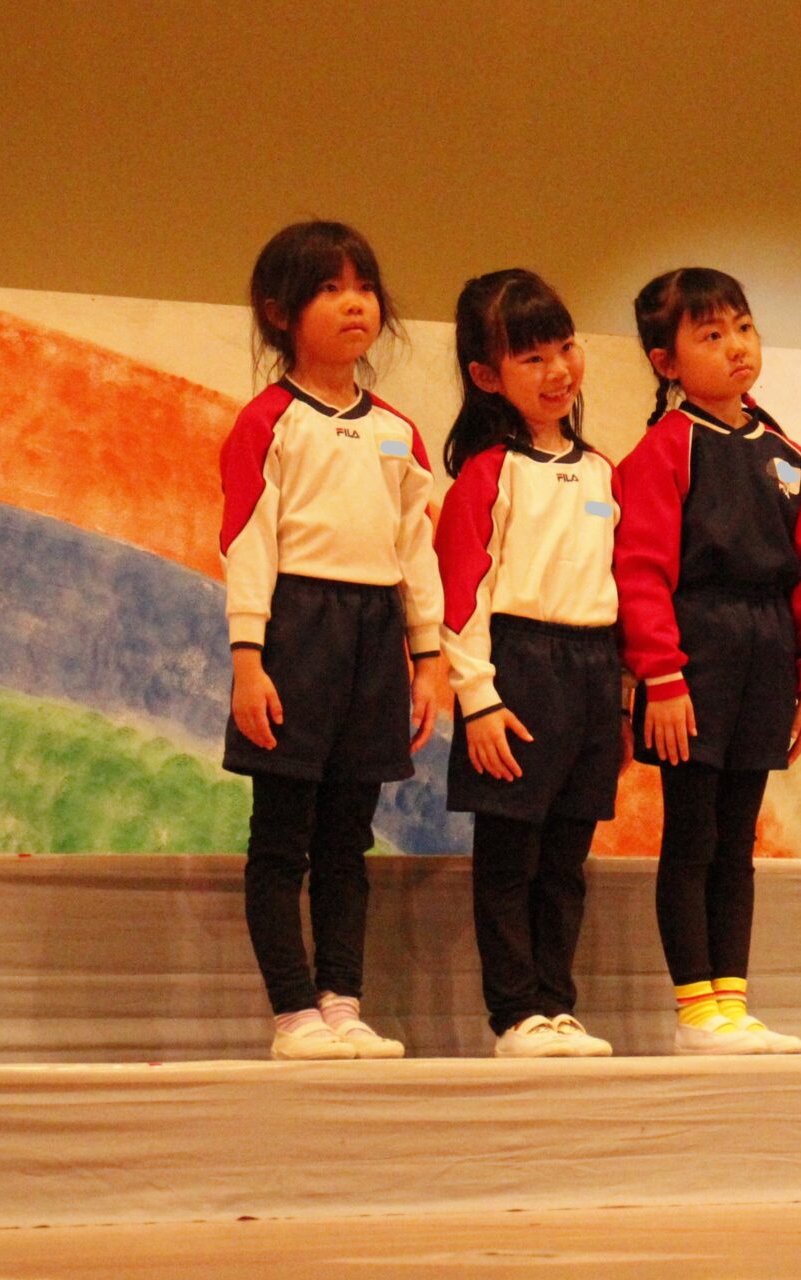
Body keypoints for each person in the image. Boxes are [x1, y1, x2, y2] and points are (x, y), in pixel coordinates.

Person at [219, 220, 441, 1060]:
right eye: (329, 289)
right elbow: (247, 541)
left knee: (348, 839)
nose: (355, 304)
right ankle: (293, 1016)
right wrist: (249, 659)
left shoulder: (398, 432)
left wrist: (428, 657)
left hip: (375, 635)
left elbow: (416, 549)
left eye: (364, 287)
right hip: (295, 630)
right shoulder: (268, 421)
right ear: (279, 313)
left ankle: (342, 1004)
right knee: (282, 838)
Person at [615, 267, 801, 1054]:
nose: (736, 346)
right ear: (666, 362)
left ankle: (732, 1002)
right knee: (693, 833)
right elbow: (640, 570)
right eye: (711, 335)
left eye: (743, 328)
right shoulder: (665, 449)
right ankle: (695, 1010)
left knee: (737, 839)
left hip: (766, 655)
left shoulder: (787, 454)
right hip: (695, 654)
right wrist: (662, 676)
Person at [437, 269, 625, 1059]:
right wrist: (479, 700)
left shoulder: (602, 471)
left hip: (594, 671)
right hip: (518, 668)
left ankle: (557, 1005)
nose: (558, 371)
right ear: (488, 376)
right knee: (511, 856)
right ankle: (515, 1014)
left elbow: (620, 586)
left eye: (565, 348)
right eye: (532, 358)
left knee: (565, 860)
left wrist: (621, 697)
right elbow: (460, 597)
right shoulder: (488, 472)